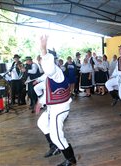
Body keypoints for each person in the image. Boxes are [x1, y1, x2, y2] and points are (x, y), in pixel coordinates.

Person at [35, 35, 76, 166]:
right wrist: (40, 101)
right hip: (53, 107)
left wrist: (43, 51)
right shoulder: (49, 74)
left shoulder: (55, 71)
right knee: (42, 122)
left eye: (42, 60)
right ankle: (55, 147)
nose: (41, 62)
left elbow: (49, 68)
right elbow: (48, 89)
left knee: (57, 136)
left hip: (60, 109)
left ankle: (71, 159)